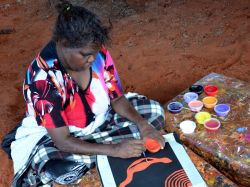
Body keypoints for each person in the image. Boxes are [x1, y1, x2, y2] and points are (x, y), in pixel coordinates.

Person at [2, 1, 165, 186]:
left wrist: (143, 125)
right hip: (60, 137)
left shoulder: (97, 53)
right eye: (85, 54)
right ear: (63, 43)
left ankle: (98, 156)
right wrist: (114, 150)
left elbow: (117, 98)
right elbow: (62, 141)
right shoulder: (43, 79)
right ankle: (102, 154)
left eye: (95, 53)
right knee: (56, 165)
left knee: (154, 112)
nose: (92, 59)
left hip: (101, 121)